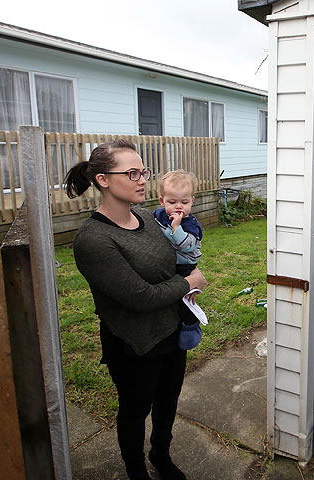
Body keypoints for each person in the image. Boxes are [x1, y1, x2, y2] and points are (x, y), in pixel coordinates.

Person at [64, 139, 208, 480]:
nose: (142, 178)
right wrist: (189, 284)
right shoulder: (94, 240)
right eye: (132, 173)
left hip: (172, 330)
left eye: (143, 171)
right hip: (134, 343)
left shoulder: (145, 217)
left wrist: (185, 278)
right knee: (135, 409)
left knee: (167, 402)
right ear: (103, 180)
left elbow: (169, 265)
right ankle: (136, 471)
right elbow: (139, 296)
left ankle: (160, 455)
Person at [153, 170, 204, 350]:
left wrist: (176, 228)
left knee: (183, 298)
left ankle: (191, 325)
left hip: (184, 265)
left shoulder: (190, 224)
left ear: (192, 201)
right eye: (172, 202)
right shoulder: (157, 216)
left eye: (184, 202)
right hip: (168, 264)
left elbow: (188, 246)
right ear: (162, 201)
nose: (178, 207)